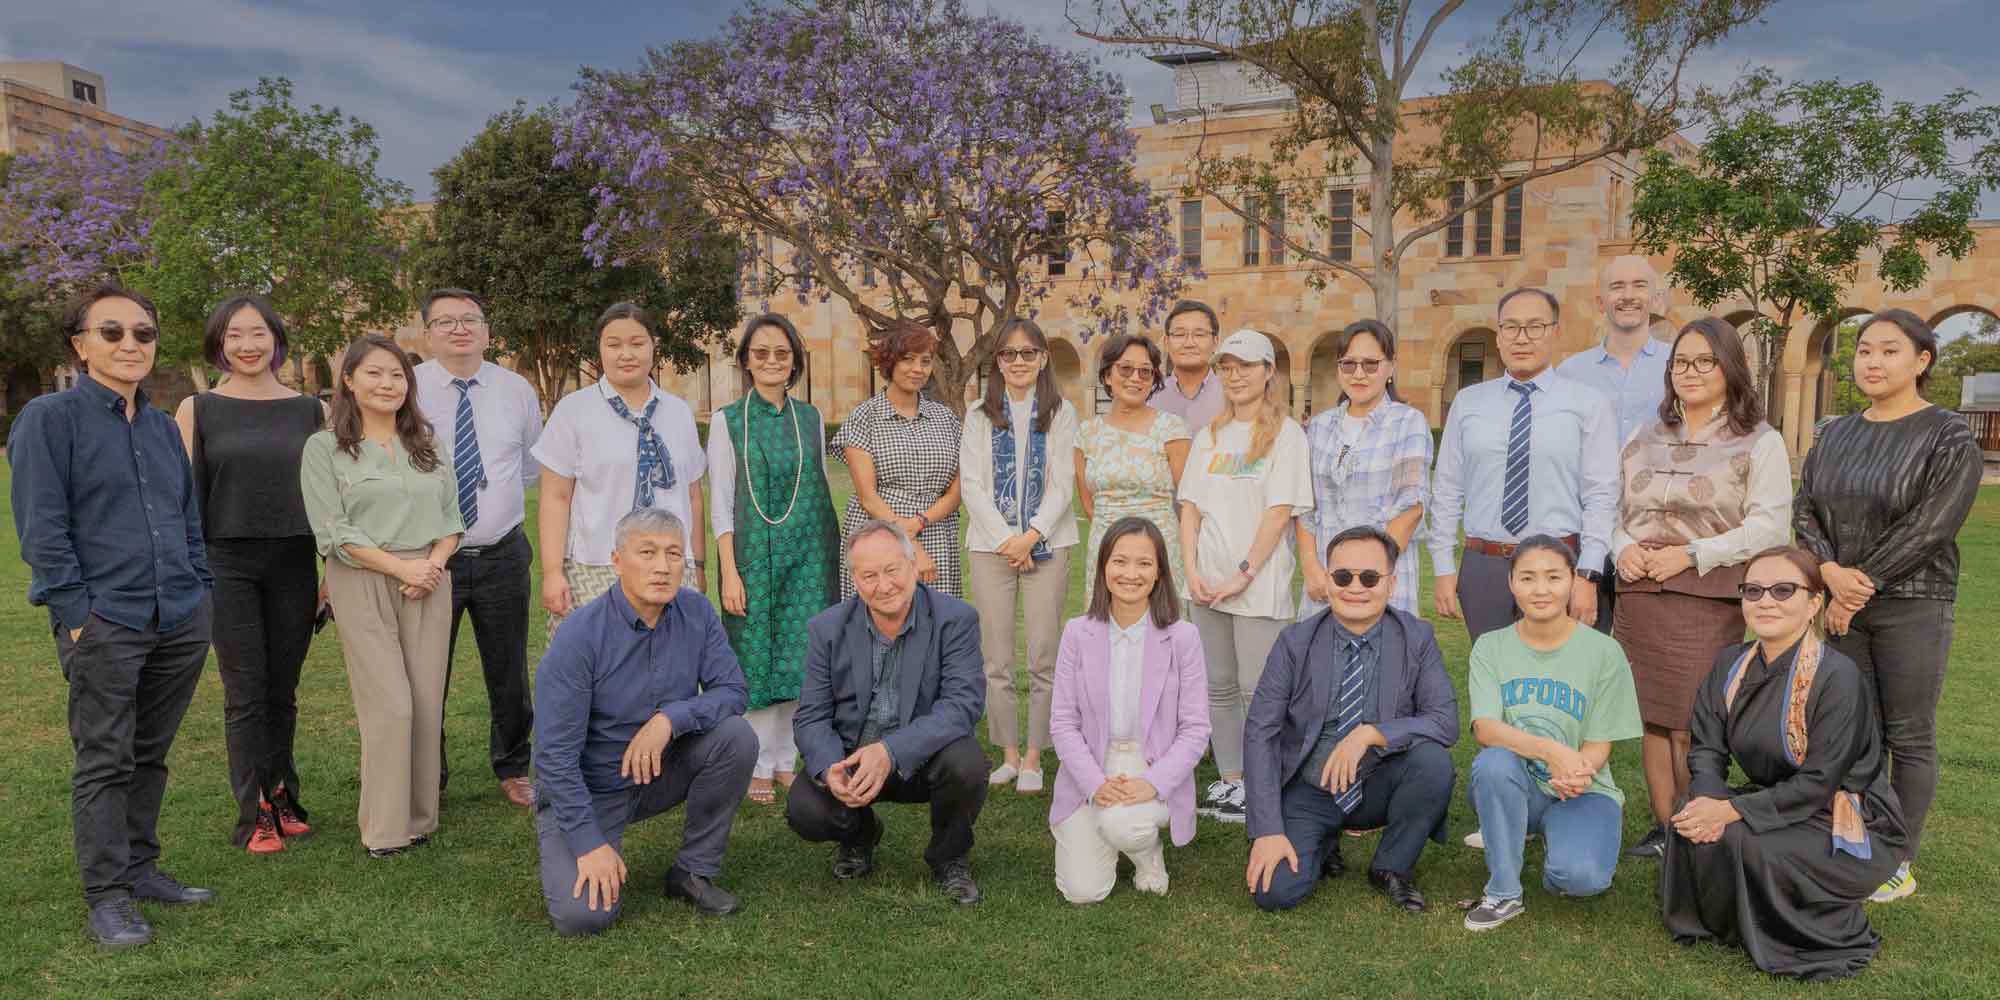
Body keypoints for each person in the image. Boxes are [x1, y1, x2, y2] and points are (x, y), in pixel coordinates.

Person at [9, 284, 217, 947]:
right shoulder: (50, 418)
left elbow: (186, 519)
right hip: (105, 623)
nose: (131, 344)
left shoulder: (160, 426)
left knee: (150, 754)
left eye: (143, 334)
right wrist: (76, 615)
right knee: (105, 759)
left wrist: (200, 590)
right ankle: (107, 895)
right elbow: (42, 530)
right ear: (81, 344)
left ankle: (141, 867)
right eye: (113, 332)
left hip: (179, 616)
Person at [1793, 308, 1982, 903]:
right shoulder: (1836, 432)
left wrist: (1859, 584)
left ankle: (1898, 858)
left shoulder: (1947, 432)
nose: (1872, 361)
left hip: (1914, 604)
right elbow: (1805, 510)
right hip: (1840, 598)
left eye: (1889, 351)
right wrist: (1827, 571)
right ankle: (1857, 840)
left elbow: (1932, 526)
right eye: (1864, 350)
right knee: (1855, 732)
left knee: (1908, 734)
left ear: (1922, 361)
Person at [1660, 546, 1908, 981]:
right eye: (1753, 590)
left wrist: (1733, 810)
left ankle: (1812, 930)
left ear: (1814, 603)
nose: (1766, 601)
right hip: (1779, 799)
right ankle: (1727, 922)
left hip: (1846, 815)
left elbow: (1820, 780)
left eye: (1783, 589)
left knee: (1752, 844)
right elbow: (1706, 749)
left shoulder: (1837, 677)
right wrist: (1709, 802)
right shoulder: (1728, 665)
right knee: (1688, 819)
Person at [1611, 316, 1790, 860]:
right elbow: (1613, 508)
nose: (1689, 372)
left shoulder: (1759, 441)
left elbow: (1770, 527)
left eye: (1703, 361)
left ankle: (1694, 820)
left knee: (1691, 720)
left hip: (1706, 598)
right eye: (1680, 362)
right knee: (1651, 716)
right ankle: (1664, 827)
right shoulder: (1645, 434)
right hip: (1639, 596)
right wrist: (1624, 548)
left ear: (1730, 369)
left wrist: (1689, 555)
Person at [533, 509, 756, 935]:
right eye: (647, 552)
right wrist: (589, 844)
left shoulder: (697, 612)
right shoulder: (578, 637)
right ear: (617, 561)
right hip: (591, 786)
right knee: (584, 918)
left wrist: (670, 719)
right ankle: (584, 837)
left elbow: (734, 691)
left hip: (659, 772)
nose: (662, 566)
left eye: (674, 553)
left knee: (736, 737)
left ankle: (692, 872)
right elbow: (554, 758)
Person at [300, 335, 465, 858]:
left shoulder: (429, 445)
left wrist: (432, 566)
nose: (387, 384)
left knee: (421, 702)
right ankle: (384, 830)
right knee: (389, 705)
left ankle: (419, 818)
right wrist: (402, 568)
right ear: (348, 379)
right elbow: (333, 530)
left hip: (429, 580)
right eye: (374, 373)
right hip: (363, 579)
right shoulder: (324, 448)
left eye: (397, 375)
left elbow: (453, 519)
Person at [174, 295, 326, 853]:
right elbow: (185, 499)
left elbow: (330, 498)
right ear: (219, 343)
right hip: (226, 563)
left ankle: (283, 792)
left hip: (294, 561)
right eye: (235, 335)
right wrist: (193, 572)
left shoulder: (311, 410)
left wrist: (329, 572)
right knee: (245, 692)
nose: (248, 345)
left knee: (282, 690)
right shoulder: (199, 409)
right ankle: (253, 812)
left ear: (276, 339)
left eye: (258, 333)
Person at [1244, 526, 1458, 914]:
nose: (1355, 587)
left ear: (1391, 584)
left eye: (1370, 577)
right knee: (1274, 892)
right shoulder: (1295, 642)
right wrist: (1268, 830)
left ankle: (1391, 866)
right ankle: (1323, 842)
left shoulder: (1417, 637)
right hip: (1308, 787)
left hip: (1379, 781)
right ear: (1327, 580)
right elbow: (1261, 732)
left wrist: (1372, 734)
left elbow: (1444, 721)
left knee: (1433, 763)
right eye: (1343, 576)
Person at [786, 520, 988, 905]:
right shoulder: (826, 629)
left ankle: (949, 857)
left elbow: (963, 705)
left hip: (924, 760)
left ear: (913, 565)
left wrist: (890, 751)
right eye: (869, 575)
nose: (884, 585)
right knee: (804, 809)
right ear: (855, 581)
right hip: (855, 761)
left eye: (892, 570)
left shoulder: (956, 620)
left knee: (968, 763)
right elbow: (811, 715)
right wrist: (831, 769)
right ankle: (859, 836)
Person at [1462, 535, 1643, 932]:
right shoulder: (1490, 648)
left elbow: (1600, 742)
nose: (1540, 589)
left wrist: (1576, 771)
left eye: (1553, 577)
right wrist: (1551, 752)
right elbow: (1486, 728)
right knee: (1492, 764)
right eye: (1527, 578)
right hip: (1519, 781)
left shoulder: (1603, 652)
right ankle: (1504, 891)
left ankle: (1546, 837)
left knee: (1580, 879)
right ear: (1511, 583)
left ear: (1572, 581)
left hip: (1581, 787)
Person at [412, 288, 543, 809]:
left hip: (502, 554)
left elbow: (530, 468)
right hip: (427, 560)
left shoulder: (516, 390)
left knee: (508, 670)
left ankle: (512, 765)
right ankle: (428, 772)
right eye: (446, 322)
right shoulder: (410, 388)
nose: (460, 329)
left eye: (471, 320)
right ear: (427, 333)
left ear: (488, 331)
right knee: (426, 673)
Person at [1178, 329, 1314, 824]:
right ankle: (1230, 780)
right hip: (1206, 585)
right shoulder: (1209, 435)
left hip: (1256, 585)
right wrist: (1192, 570)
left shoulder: (1287, 435)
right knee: (1217, 685)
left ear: (1268, 371)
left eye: (1246, 366)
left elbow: (1279, 514)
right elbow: (1189, 508)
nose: (1234, 376)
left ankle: (1263, 782)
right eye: (1226, 367)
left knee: (1258, 689)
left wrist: (1243, 574)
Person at [1431, 287, 1619, 641]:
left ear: (1555, 332)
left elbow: (1601, 494)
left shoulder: (1588, 404)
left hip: (1561, 563)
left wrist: (1588, 573)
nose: (1522, 338)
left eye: (1535, 327)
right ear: (1499, 335)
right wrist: (1443, 566)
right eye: (1511, 328)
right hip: (1485, 566)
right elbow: (1447, 490)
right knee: (1493, 680)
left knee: (1563, 683)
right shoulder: (1468, 403)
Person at [707, 313, 840, 805]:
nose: (771, 362)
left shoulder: (810, 418)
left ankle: (786, 759)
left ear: (795, 362)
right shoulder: (728, 421)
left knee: (800, 659)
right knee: (758, 657)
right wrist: (729, 570)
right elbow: (721, 500)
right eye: (760, 353)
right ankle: (756, 761)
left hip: (807, 554)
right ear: (746, 360)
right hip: (754, 557)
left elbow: (820, 484)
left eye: (782, 354)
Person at [1047, 517, 1210, 903]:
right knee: (1082, 892)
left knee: (1123, 825)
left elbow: (1195, 728)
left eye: (1144, 564)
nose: (1130, 574)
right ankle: (1112, 829)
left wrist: (1152, 783)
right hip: (1092, 763)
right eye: (1120, 561)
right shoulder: (1076, 632)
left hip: (1151, 762)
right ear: (1103, 567)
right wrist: (1094, 784)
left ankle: (1145, 853)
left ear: (1159, 574)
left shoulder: (1183, 637)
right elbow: (1063, 723)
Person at [960, 318, 1080, 796]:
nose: (1018, 362)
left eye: (1028, 353)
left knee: (1044, 654)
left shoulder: (1062, 412)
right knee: (996, 655)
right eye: (1009, 354)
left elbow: (1063, 482)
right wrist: (1007, 538)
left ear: (1043, 358)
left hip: (1048, 543)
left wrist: (1031, 535)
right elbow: (971, 483)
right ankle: (1008, 754)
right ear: (998, 362)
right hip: (991, 547)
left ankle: (1035, 755)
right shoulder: (978, 414)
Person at [535, 303, 706, 629]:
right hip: (598, 566)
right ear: (599, 350)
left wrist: (696, 565)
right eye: (614, 345)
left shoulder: (678, 412)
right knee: (597, 668)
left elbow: (693, 495)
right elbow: (555, 498)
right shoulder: (574, 411)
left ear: (654, 346)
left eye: (637, 343)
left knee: (670, 666)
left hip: (670, 569)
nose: (626, 353)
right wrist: (553, 573)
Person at [1558, 255, 1674, 625]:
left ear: (1656, 298)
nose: (1628, 296)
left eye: (1639, 286)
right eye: (1616, 287)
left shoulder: (1679, 366)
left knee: (1645, 657)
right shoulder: (1570, 373)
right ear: (1600, 301)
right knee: (1580, 648)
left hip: (1654, 538)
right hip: (1581, 531)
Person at [1296, 319, 1431, 618]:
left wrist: (1365, 576)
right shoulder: (1319, 427)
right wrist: (1312, 567)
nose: (1359, 374)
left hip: (1380, 582)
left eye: (1371, 364)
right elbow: (1306, 507)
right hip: (1326, 583)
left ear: (1391, 367)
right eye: (1349, 364)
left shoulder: (1408, 423)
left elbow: (1410, 508)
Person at [832, 321, 963, 598]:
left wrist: (920, 521)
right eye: (908, 360)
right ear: (889, 363)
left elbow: (956, 492)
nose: (918, 369)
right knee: (879, 623)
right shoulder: (864, 418)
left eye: (925, 361)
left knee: (933, 625)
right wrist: (910, 543)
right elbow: (868, 497)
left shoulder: (946, 419)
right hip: (878, 535)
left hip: (936, 530)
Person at [1077, 332, 1190, 596]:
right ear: (1107, 375)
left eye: (1145, 372)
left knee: (1160, 627)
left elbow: (1187, 502)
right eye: (1125, 369)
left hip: (1160, 547)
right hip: (1107, 547)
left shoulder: (1172, 428)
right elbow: (1087, 502)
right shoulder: (1087, 433)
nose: (1135, 378)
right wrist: (1117, 541)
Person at [1151, 299, 1227, 430]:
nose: (1189, 343)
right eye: (1180, 334)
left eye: (1199, 334)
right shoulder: (1150, 395)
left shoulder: (1232, 394)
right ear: (1166, 342)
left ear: (1215, 342)